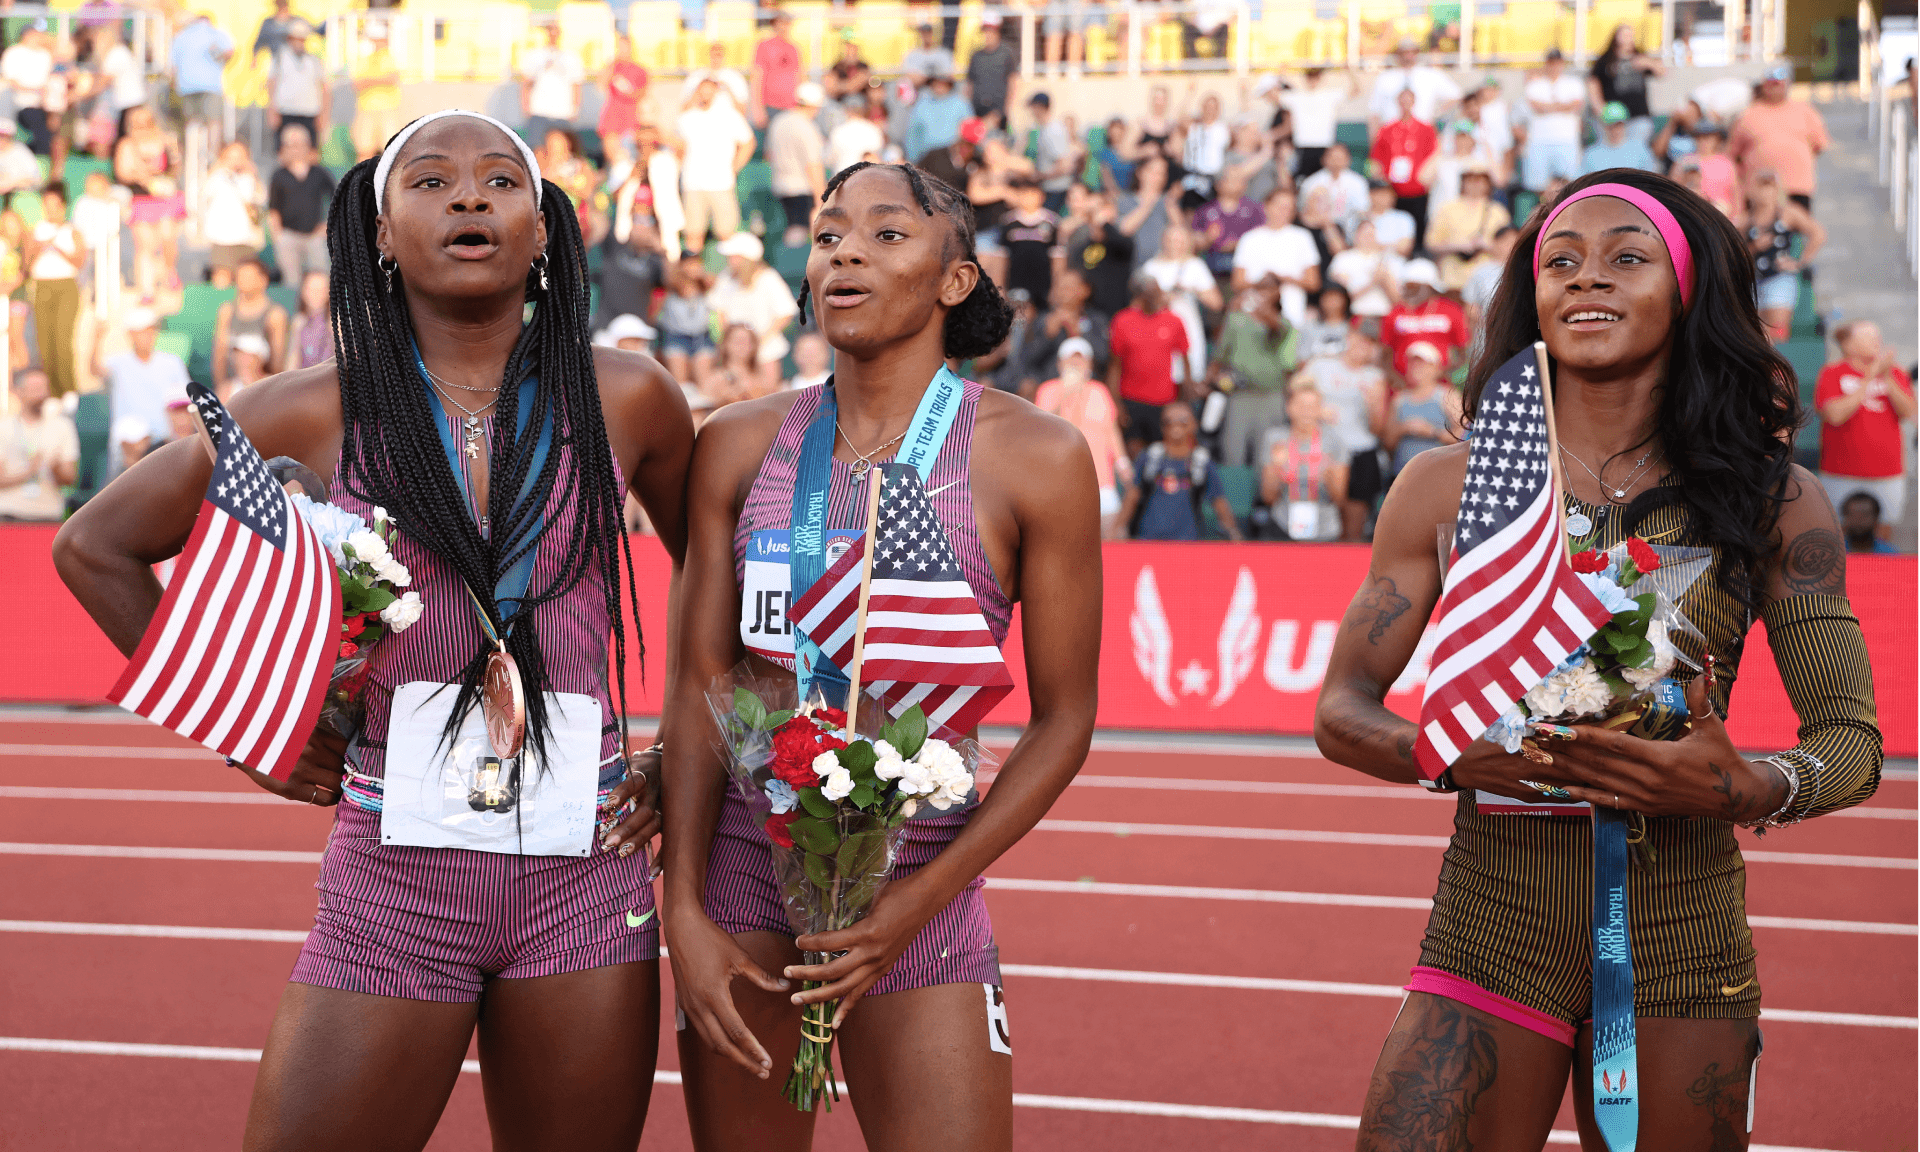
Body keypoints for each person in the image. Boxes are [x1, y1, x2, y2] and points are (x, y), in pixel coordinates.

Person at [54, 108, 692, 1149]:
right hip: (398, 871)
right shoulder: (310, 410)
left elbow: (721, 563)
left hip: (588, 867)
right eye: (432, 183)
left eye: (500, 182)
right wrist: (246, 726)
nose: (471, 198)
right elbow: (96, 546)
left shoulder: (630, 398)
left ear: (545, 231)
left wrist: (687, 747)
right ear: (381, 234)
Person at [1318, 167, 1882, 1152]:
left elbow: (1853, 741)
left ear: (1690, 289)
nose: (1588, 281)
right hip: (1493, 917)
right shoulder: (1449, 489)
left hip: (1684, 934)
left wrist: (1749, 786)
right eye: (1562, 263)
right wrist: (1442, 755)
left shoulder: (1773, 500)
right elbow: (1341, 708)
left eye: (1628, 258)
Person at [661, 158, 1097, 1150]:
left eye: (886, 233)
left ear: (954, 280)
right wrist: (681, 905)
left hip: (924, 894)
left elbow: (1066, 718)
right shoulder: (736, 442)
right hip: (741, 885)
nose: (846, 250)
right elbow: (700, 687)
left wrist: (911, 907)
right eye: (827, 235)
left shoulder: (1036, 456)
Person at [1815, 320, 1915, 525]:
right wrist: (1869, 377)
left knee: (1885, 531)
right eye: (1869, 337)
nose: (1877, 341)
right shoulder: (1832, 372)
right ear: (1849, 345)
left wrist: (1887, 377)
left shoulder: (1896, 373)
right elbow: (1834, 415)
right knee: (1837, 531)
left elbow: (1909, 412)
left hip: (1887, 473)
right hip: (1840, 473)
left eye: (1877, 336)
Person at [1035, 336, 1130, 537]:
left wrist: (1122, 462)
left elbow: (1111, 430)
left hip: (1101, 478)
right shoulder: (1048, 390)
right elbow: (1042, 428)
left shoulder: (1099, 391)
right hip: (1060, 480)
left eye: (1081, 359)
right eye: (1071, 359)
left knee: (1113, 534)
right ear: (1060, 363)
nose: (1076, 364)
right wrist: (1067, 392)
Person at [1301, 321, 1386, 540]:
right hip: (1324, 451)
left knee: (1353, 527)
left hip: (1360, 452)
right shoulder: (1321, 366)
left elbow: (1377, 430)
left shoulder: (1374, 377)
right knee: (1320, 521)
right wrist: (1317, 411)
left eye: (1369, 343)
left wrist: (1374, 406)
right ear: (1349, 338)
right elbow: (1295, 395)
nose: (1362, 347)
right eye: (1359, 339)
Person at [1212, 273, 1300, 466]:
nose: (1264, 293)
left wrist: (1264, 310)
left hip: (1271, 395)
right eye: (1261, 288)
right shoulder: (1236, 320)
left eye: (1270, 288)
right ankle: (1233, 495)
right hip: (1240, 394)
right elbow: (1220, 355)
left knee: (1267, 457)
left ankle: (1263, 496)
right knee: (1233, 452)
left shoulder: (1284, 324)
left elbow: (1277, 331)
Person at [1121, 401, 1240, 540]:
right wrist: (1117, 529)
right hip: (1148, 539)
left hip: (1187, 542)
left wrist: (1234, 533)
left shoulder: (1201, 462)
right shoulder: (1149, 458)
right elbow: (1132, 496)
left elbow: (1219, 501)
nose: (1175, 426)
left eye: (1182, 421)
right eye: (1168, 422)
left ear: (1194, 425)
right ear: (1161, 426)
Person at [1729, 64, 1829, 210]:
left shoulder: (1805, 111)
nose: (1775, 87)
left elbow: (1819, 145)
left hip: (1796, 189)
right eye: (1771, 83)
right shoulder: (1747, 115)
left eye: (1779, 83)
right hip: (1759, 191)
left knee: (1797, 231)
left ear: (1788, 84)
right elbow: (1733, 153)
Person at [708, 232, 797, 395]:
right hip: (735, 351)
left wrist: (760, 340)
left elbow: (786, 312)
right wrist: (729, 340)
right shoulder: (726, 278)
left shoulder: (768, 278)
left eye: (734, 256)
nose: (730, 260)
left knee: (768, 394)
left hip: (766, 349)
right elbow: (719, 309)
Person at [1108, 273, 1189, 450]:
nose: (1155, 296)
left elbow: (1184, 363)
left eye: (1157, 291)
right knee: (1134, 450)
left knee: (1161, 453)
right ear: (1139, 296)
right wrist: (1116, 404)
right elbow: (1115, 366)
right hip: (1131, 399)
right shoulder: (1123, 320)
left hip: (1164, 401)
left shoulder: (1173, 321)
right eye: (1149, 292)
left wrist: (1183, 402)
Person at [1257, 383, 1347, 540]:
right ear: (1288, 407)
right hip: (1283, 524)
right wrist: (1276, 468)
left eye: (1312, 406)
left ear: (1321, 409)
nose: (1306, 411)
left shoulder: (1334, 441)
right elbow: (1268, 497)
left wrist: (1329, 475)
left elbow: (1339, 498)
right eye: (1300, 405)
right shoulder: (1275, 438)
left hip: (1325, 528)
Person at [1744, 169, 1825, 342]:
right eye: (1762, 188)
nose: (1765, 193)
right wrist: (1754, 246)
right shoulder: (1745, 219)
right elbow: (1733, 251)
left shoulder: (1788, 213)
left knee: (1777, 330)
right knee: (1755, 334)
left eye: (1770, 188)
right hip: (1752, 278)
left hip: (1779, 276)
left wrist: (1799, 262)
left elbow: (1818, 234)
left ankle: (1778, 367)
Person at [678, 79, 757, 253]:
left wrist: (735, 167)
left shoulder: (729, 116)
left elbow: (748, 142)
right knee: (693, 233)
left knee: (726, 232)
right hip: (693, 184)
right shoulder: (687, 118)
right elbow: (679, 147)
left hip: (721, 183)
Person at [114, 103, 184, 297]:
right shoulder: (127, 145)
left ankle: (169, 270)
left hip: (165, 199)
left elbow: (175, 168)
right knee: (146, 246)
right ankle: (147, 290)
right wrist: (142, 176)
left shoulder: (165, 140)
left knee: (168, 237)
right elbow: (122, 173)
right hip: (142, 200)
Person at [97, 305, 190, 443]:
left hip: (166, 442)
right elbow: (95, 370)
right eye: (141, 332)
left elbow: (186, 403)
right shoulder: (118, 363)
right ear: (131, 334)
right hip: (131, 445)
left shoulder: (172, 362)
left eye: (150, 330)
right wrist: (96, 339)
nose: (147, 336)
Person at [1230, 187, 1321, 327]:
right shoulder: (1250, 238)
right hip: (1253, 313)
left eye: (1289, 207)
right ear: (1266, 206)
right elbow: (1237, 282)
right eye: (1280, 206)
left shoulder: (1302, 237)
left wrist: (1282, 278)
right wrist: (1261, 282)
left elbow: (1313, 282)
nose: (1284, 211)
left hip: (1291, 312)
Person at [1142, 223, 1221, 386]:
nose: (1174, 244)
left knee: (1187, 376)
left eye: (1179, 240)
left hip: (1187, 328)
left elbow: (1217, 303)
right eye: (1170, 239)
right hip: (1156, 329)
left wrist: (1192, 289)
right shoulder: (1150, 267)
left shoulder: (1195, 265)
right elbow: (1140, 303)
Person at [25, 183, 84, 397]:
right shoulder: (36, 231)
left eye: (54, 205)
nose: (50, 209)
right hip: (43, 287)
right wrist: (38, 248)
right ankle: (49, 393)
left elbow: (79, 261)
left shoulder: (72, 231)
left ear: (63, 206)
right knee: (44, 343)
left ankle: (68, 392)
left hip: (66, 287)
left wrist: (57, 247)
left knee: (62, 342)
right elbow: (26, 265)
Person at [0, 367, 77, 520]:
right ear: (19, 391)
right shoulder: (4, 427)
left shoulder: (62, 426)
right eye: (35, 389)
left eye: (44, 388)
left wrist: (56, 468)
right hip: (9, 516)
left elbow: (69, 479)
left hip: (48, 515)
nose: (42, 395)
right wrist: (29, 472)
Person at [1424, 162, 1511, 292]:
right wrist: (1458, 246)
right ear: (1463, 182)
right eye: (1470, 180)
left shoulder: (1497, 211)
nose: (1475, 184)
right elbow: (1430, 243)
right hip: (1452, 278)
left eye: (1480, 180)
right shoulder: (1448, 208)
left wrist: (1486, 245)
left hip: (1486, 279)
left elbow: (1509, 247)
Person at [269, 124, 336, 285]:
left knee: (321, 277)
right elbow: (273, 209)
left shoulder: (319, 173)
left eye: (300, 144)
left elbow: (337, 198)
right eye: (291, 146)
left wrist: (327, 226)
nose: (296, 150)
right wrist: (278, 236)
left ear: (308, 146)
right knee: (291, 281)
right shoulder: (279, 175)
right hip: (288, 235)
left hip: (314, 236)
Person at [212, 258, 288, 400]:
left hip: (264, 388)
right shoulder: (226, 311)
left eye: (248, 277)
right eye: (240, 276)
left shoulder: (275, 315)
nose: (242, 281)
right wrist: (222, 388)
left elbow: (278, 361)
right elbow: (219, 354)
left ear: (263, 280)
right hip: (232, 388)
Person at [1382, 340, 1460, 476]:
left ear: (1436, 368)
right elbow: (1387, 442)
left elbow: (1464, 438)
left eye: (1422, 363)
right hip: (1403, 476)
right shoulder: (1399, 399)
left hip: (1438, 476)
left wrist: (1431, 431)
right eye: (1412, 363)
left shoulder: (1448, 396)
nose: (1416, 367)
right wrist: (1403, 429)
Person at [1373, 88, 1438, 250]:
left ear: (1414, 102)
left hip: (1418, 189)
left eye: (1409, 100)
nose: (1406, 104)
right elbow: (1376, 160)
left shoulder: (1426, 129)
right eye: (1402, 100)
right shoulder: (1387, 130)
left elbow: (1433, 158)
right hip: (1393, 190)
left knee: (1418, 227)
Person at [1382, 258, 1468, 376]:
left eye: (1416, 286)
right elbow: (1385, 351)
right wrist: (1396, 382)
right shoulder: (1396, 312)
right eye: (1409, 285)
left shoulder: (1451, 310)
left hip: (1441, 384)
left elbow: (1463, 350)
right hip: (1403, 385)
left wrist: (1448, 377)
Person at [768, 83, 828, 249]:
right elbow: (813, 164)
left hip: (780, 184)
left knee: (792, 229)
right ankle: (794, 268)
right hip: (800, 187)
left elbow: (769, 154)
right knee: (798, 231)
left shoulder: (778, 121)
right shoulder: (806, 127)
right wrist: (820, 196)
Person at [202, 140, 268, 287]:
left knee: (246, 276)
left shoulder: (249, 177)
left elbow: (261, 199)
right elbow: (203, 192)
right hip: (222, 238)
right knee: (221, 276)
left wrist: (254, 175)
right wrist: (218, 167)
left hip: (246, 237)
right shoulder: (217, 176)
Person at [1587, 23, 1664, 143]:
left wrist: (1648, 62)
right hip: (1612, 121)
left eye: (1629, 35)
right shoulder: (1605, 60)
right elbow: (1593, 82)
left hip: (1638, 117)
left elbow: (1662, 72)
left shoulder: (1641, 57)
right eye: (1623, 34)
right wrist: (1600, 110)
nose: (1627, 38)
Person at [1522, 48, 1585, 193]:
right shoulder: (1535, 84)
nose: (1554, 66)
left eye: (1557, 62)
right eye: (1551, 63)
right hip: (1540, 140)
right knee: (1537, 186)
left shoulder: (1573, 83)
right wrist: (1562, 106)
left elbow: (1576, 104)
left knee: (1570, 183)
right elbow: (1536, 106)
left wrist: (1548, 107)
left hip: (1566, 139)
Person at [1278, 68, 1359, 178]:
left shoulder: (1329, 95)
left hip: (1324, 146)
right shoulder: (1297, 96)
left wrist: (1349, 71)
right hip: (1303, 147)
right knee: (1301, 181)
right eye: (1310, 77)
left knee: (1325, 181)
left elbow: (1355, 91)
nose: (1313, 81)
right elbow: (1274, 96)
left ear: (1320, 78)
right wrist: (1281, 73)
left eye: (1315, 77)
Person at [1368, 38, 1461, 133]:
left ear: (1417, 53)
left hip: (1422, 133)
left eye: (1412, 51)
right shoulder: (1384, 78)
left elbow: (1456, 95)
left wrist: (1436, 112)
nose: (1408, 56)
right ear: (1397, 54)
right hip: (1392, 135)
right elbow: (1374, 111)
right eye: (1404, 52)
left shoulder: (1431, 75)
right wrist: (1374, 139)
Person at [170, 12, 234, 149]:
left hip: (186, 86)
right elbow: (230, 52)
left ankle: (191, 155)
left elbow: (173, 67)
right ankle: (212, 156)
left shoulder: (181, 36)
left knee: (191, 122)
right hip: (211, 86)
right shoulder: (215, 33)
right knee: (213, 122)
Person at [999, 175, 1061, 307]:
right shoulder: (1008, 221)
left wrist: (1055, 288)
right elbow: (1002, 257)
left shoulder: (1051, 221)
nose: (1029, 198)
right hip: (1015, 281)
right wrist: (1001, 287)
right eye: (1025, 194)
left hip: (1043, 282)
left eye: (1033, 194)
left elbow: (1057, 258)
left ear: (1041, 196)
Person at [1193, 165, 1266, 278]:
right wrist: (1207, 239)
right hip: (1212, 260)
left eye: (1239, 180)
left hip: (1245, 261)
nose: (1235, 184)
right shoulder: (1204, 211)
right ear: (1218, 184)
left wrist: (1239, 243)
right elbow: (1195, 242)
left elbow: (1264, 237)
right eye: (1230, 179)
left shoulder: (1255, 209)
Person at [269, 20, 328, 150]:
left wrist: (323, 115)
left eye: (301, 39)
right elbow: (272, 83)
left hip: (309, 112)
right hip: (286, 111)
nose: (298, 42)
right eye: (295, 38)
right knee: (284, 150)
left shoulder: (313, 60)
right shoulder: (280, 57)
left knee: (311, 151)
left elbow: (323, 87)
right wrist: (272, 110)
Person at [520, 23, 584, 142]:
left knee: (561, 151)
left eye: (555, 31)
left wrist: (575, 110)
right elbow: (526, 83)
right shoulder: (534, 56)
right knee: (536, 149)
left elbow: (576, 85)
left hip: (563, 113)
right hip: (538, 111)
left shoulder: (571, 57)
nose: (552, 35)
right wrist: (525, 107)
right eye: (550, 31)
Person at [350, 22, 404, 161]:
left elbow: (392, 78)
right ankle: (361, 181)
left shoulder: (391, 57)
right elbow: (357, 84)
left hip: (388, 109)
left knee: (392, 151)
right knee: (364, 150)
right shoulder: (363, 60)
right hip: (367, 109)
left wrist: (370, 80)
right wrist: (380, 79)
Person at [1328, 220, 1402, 319]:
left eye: (1371, 235)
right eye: (1365, 234)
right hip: (1357, 314)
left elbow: (1398, 299)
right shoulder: (1342, 259)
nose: (1368, 239)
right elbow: (1343, 296)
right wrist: (1373, 281)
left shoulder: (1389, 260)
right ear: (1356, 235)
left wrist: (1385, 280)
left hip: (1385, 314)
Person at [1, 23, 55, 155]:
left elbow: (49, 82)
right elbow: (11, 82)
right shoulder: (13, 53)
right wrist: (36, 91)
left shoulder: (45, 55)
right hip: (19, 105)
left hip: (43, 105)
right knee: (41, 135)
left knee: (52, 134)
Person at [1299, 141, 1370, 237]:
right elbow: (1303, 209)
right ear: (1323, 159)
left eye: (1340, 158)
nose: (1336, 161)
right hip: (1318, 227)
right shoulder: (1311, 182)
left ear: (1348, 160)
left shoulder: (1358, 182)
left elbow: (1363, 210)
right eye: (1332, 157)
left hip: (1349, 230)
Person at [906, 66, 972, 165]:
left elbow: (969, 132)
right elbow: (912, 134)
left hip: (952, 156)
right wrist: (913, 159)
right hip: (926, 156)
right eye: (936, 82)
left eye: (943, 82)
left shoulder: (960, 103)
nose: (939, 86)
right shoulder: (922, 104)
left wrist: (962, 157)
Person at [749, 10, 801, 130]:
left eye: (786, 23)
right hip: (770, 106)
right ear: (774, 25)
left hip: (791, 107)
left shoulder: (794, 48)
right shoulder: (764, 46)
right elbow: (757, 76)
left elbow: (799, 76)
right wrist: (757, 108)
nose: (784, 27)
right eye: (781, 23)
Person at [966, 16, 1019, 125]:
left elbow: (1013, 81)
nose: (987, 35)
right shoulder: (976, 56)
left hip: (998, 112)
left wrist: (1006, 109)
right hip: (977, 111)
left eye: (990, 31)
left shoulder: (1006, 54)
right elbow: (970, 84)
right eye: (985, 31)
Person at [1582, 101, 1660, 174]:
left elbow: (1652, 177)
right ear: (1604, 126)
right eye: (1611, 126)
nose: (1615, 130)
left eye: (1618, 125)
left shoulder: (1639, 149)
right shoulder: (1591, 154)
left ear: (1624, 125)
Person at [599, 36, 650, 146]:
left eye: (624, 46)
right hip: (611, 123)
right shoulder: (612, 67)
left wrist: (627, 93)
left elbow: (642, 94)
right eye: (619, 47)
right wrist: (612, 65)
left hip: (630, 123)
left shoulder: (640, 70)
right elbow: (600, 84)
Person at [684, 39, 751, 116]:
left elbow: (742, 111)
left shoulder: (735, 78)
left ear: (725, 56)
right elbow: (684, 109)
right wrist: (701, 91)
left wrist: (727, 89)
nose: (715, 58)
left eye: (719, 55)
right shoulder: (696, 77)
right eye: (712, 54)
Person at [1360, 179, 1416, 258]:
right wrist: (1390, 246)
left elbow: (1404, 248)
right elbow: (1356, 245)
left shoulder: (1403, 218)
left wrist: (1375, 245)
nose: (1385, 197)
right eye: (1380, 193)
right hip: (1363, 259)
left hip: (1394, 261)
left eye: (1388, 193)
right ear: (1370, 194)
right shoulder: (1360, 217)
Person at [1299, 281, 1354, 360]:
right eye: (1328, 297)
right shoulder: (1309, 328)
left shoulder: (1354, 328)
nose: (1332, 302)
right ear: (1320, 300)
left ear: (1345, 299)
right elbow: (1302, 359)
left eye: (1336, 297)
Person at [289, 270, 332, 370]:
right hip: (305, 378)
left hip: (329, 377)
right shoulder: (298, 321)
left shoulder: (335, 321)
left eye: (322, 289)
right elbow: (293, 358)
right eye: (311, 289)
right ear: (303, 291)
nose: (316, 294)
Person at [902, 22, 956, 87]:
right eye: (923, 33)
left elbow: (949, 77)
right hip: (920, 91)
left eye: (929, 32)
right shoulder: (913, 55)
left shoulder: (945, 53)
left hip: (942, 92)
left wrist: (926, 77)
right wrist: (934, 77)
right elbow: (912, 79)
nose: (926, 36)